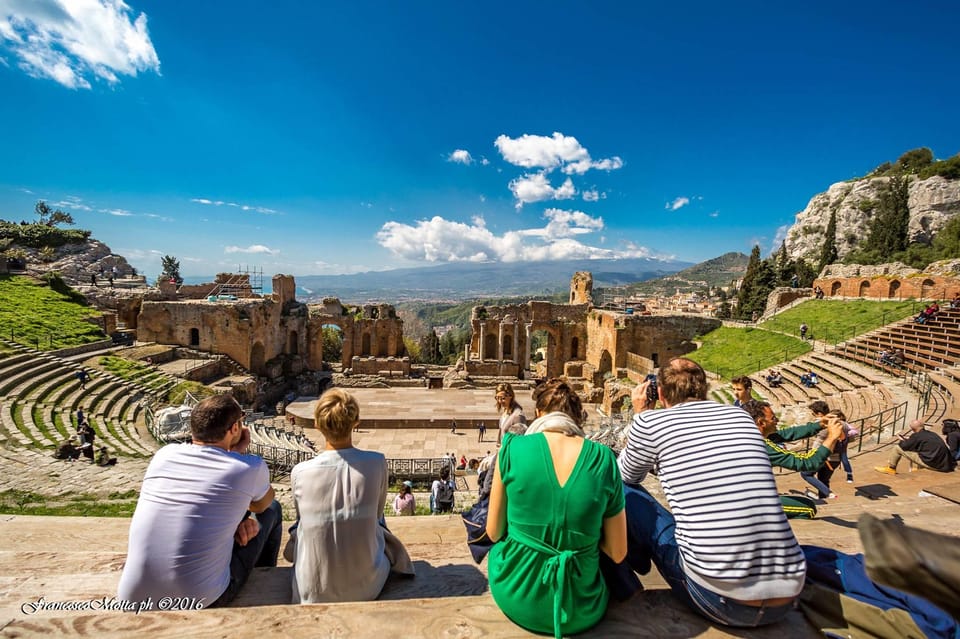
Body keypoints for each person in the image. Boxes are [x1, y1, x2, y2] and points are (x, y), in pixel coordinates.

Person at [617, 358, 805, 628]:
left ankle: (626, 574)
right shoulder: (741, 417)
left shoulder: (650, 423)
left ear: (659, 393)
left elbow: (625, 476)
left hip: (719, 600)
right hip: (788, 595)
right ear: (705, 390)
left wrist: (641, 416)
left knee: (623, 490)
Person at [486, 378, 626, 638]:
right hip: (583, 606)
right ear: (576, 416)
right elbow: (618, 553)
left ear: (538, 413)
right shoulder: (604, 458)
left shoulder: (512, 448)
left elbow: (493, 533)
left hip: (517, 596)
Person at [117, 394, 282, 609]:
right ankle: (263, 581)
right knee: (273, 511)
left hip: (133, 597)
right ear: (234, 429)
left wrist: (233, 454)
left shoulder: (164, 455)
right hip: (200, 599)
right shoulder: (249, 468)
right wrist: (239, 455)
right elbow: (261, 504)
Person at [290, 388, 413, 602]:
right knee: (376, 520)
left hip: (311, 589)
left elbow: (302, 519)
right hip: (368, 585)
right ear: (356, 422)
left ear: (317, 425)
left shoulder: (300, 472)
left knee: (299, 526)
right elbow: (377, 515)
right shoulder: (376, 462)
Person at [875, 420, 957, 475]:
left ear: (912, 429)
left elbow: (903, 446)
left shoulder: (917, 436)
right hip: (945, 464)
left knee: (897, 448)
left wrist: (902, 440)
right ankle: (919, 469)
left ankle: (891, 468)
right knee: (923, 451)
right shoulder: (932, 434)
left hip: (935, 465)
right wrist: (910, 440)